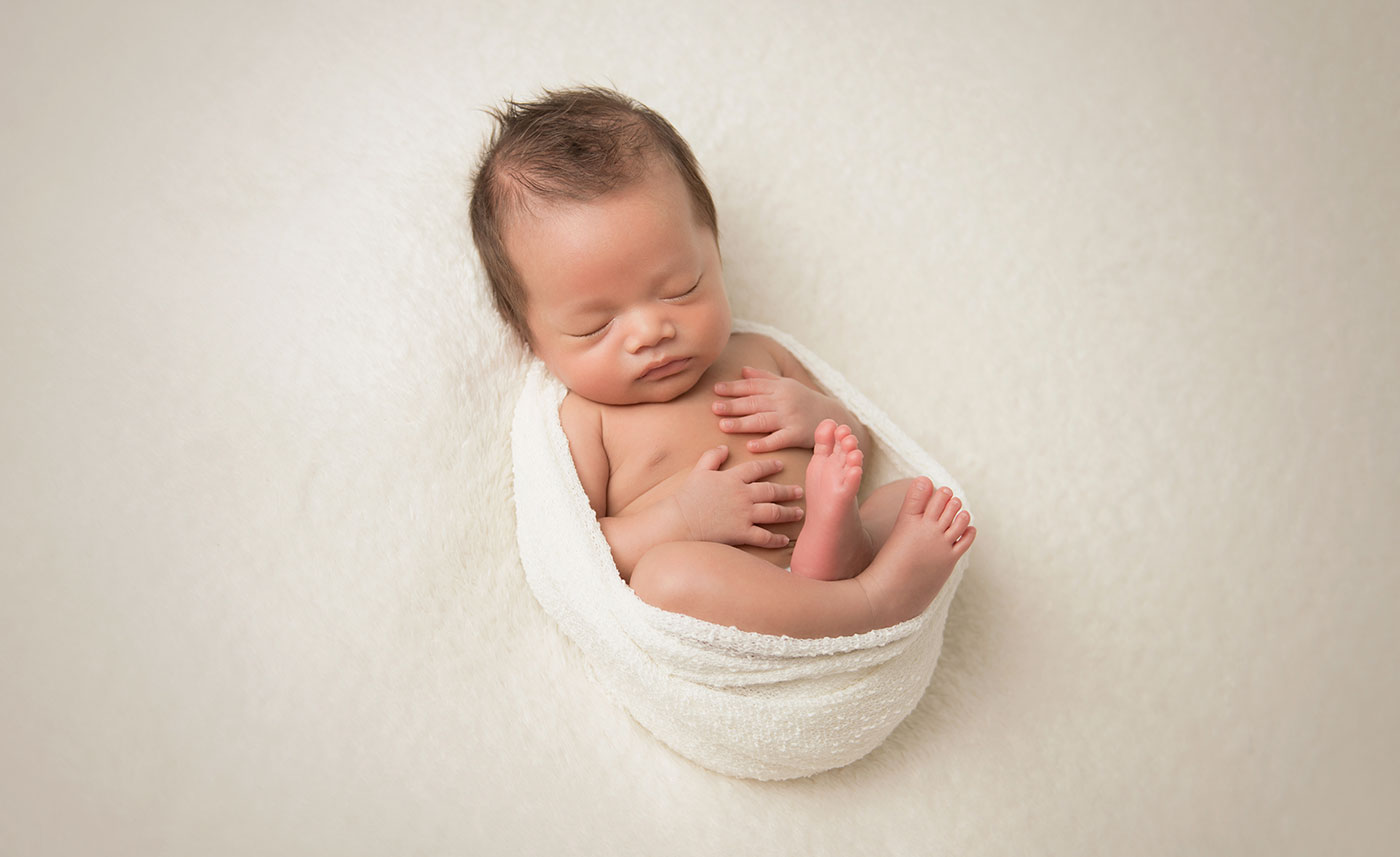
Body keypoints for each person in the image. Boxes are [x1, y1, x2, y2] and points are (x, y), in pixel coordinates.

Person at [470, 87, 975, 638]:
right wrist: (682, 520)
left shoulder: (757, 354)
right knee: (665, 578)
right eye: (595, 326)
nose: (649, 332)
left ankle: (833, 560)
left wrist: (821, 419)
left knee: (912, 499)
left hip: (832, 545)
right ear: (529, 336)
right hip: (737, 596)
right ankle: (867, 606)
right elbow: (578, 549)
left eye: (680, 288)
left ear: (714, 250)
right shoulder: (586, 419)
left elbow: (863, 449)